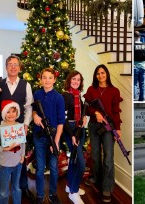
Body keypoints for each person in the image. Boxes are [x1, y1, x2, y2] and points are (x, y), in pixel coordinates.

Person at [0, 55, 34, 204]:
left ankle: (23, 187)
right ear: (6, 67)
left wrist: (25, 124)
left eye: (15, 64)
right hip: (1, 125)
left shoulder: (26, 85)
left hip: (18, 127)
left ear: (19, 67)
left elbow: (28, 107)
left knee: (20, 157)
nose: (13, 67)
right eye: (10, 64)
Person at [83, 64, 123, 203]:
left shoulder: (114, 91)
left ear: (107, 74)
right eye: (98, 73)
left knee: (108, 158)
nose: (100, 75)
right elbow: (87, 108)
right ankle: (95, 178)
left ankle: (106, 188)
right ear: (95, 75)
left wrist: (117, 129)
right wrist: (96, 113)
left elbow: (116, 112)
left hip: (108, 127)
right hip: (94, 126)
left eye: (103, 73)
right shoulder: (91, 89)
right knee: (95, 155)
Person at [32, 68, 65, 204]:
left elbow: (61, 122)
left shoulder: (59, 97)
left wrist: (56, 142)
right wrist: (35, 116)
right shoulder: (37, 94)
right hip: (39, 137)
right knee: (40, 168)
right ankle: (40, 194)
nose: (47, 80)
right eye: (44, 77)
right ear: (41, 79)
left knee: (53, 167)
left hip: (53, 138)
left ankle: (52, 193)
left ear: (54, 80)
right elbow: (33, 109)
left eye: (50, 78)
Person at [0, 100, 25, 204]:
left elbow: (23, 143)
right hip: (5, 164)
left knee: (16, 188)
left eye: (13, 111)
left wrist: (22, 156)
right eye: (8, 112)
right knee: (3, 191)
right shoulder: (0, 128)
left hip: (18, 163)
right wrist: (5, 148)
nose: (11, 114)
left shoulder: (20, 126)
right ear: (4, 113)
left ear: (17, 113)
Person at [62, 71, 87, 204]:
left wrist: (84, 119)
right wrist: (72, 135)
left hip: (80, 129)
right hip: (70, 130)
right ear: (69, 80)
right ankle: (74, 192)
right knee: (81, 164)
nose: (76, 82)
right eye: (73, 79)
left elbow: (82, 112)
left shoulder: (79, 96)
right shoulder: (65, 96)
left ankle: (69, 186)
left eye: (78, 79)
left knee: (73, 159)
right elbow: (63, 118)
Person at [134, 31, 145, 101]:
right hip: (143, 66)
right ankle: (142, 97)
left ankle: (134, 96)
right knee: (142, 84)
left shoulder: (132, 46)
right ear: (140, 37)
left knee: (134, 84)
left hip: (134, 66)